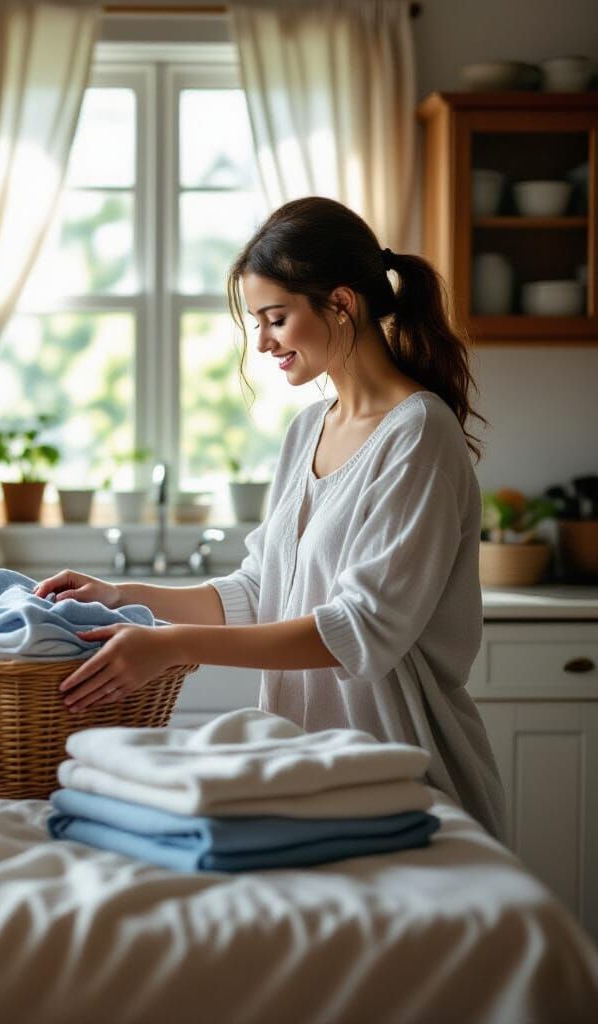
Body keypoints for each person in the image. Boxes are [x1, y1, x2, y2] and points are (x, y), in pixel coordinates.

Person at [34, 196, 506, 842]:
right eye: (257, 322)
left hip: (404, 783)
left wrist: (172, 644)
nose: (262, 343)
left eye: (276, 318)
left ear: (341, 304)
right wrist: (123, 597)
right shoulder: (307, 429)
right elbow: (261, 594)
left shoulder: (420, 434)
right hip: (305, 780)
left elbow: (358, 633)